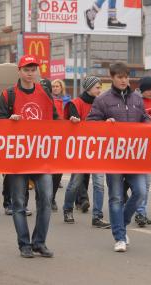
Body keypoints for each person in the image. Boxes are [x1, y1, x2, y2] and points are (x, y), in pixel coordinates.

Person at [0, 55, 58, 258]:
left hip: (41, 157)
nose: (30, 73)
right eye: (27, 70)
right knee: (19, 203)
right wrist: (8, 120)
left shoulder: (45, 92)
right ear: (19, 71)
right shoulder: (9, 95)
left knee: (46, 200)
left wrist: (70, 122)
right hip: (18, 158)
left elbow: (55, 119)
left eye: (33, 70)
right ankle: (24, 244)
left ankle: (39, 242)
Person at [87, 62, 150, 252]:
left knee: (140, 192)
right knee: (115, 197)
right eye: (119, 77)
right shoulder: (102, 100)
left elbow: (145, 118)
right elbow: (91, 123)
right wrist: (104, 123)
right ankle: (120, 237)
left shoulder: (137, 99)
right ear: (112, 77)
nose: (123, 80)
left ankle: (121, 222)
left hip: (134, 157)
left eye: (126, 77)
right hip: (113, 157)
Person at [62, 76, 110, 229]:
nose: (100, 90)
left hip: (97, 150)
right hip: (81, 150)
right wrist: (73, 121)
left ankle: (97, 216)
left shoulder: (102, 104)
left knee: (99, 184)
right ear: (88, 88)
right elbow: (70, 124)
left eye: (100, 87)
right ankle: (68, 209)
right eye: (97, 87)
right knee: (75, 183)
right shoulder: (75, 104)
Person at [134, 76, 151, 227]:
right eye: (148, 89)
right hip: (138, 147)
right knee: (139, 184)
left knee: (147, 183)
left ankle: (141, 212)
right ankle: (138, 211)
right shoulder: (136, 102)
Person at [50, 79, 69, 211]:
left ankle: (52, 197)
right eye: (53, 86)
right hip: (49, 139)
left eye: (58, 86)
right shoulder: (47, 100)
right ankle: (45, 198)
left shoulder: (68, 101)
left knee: (58, 172)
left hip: (63, 138)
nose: (55, 88)